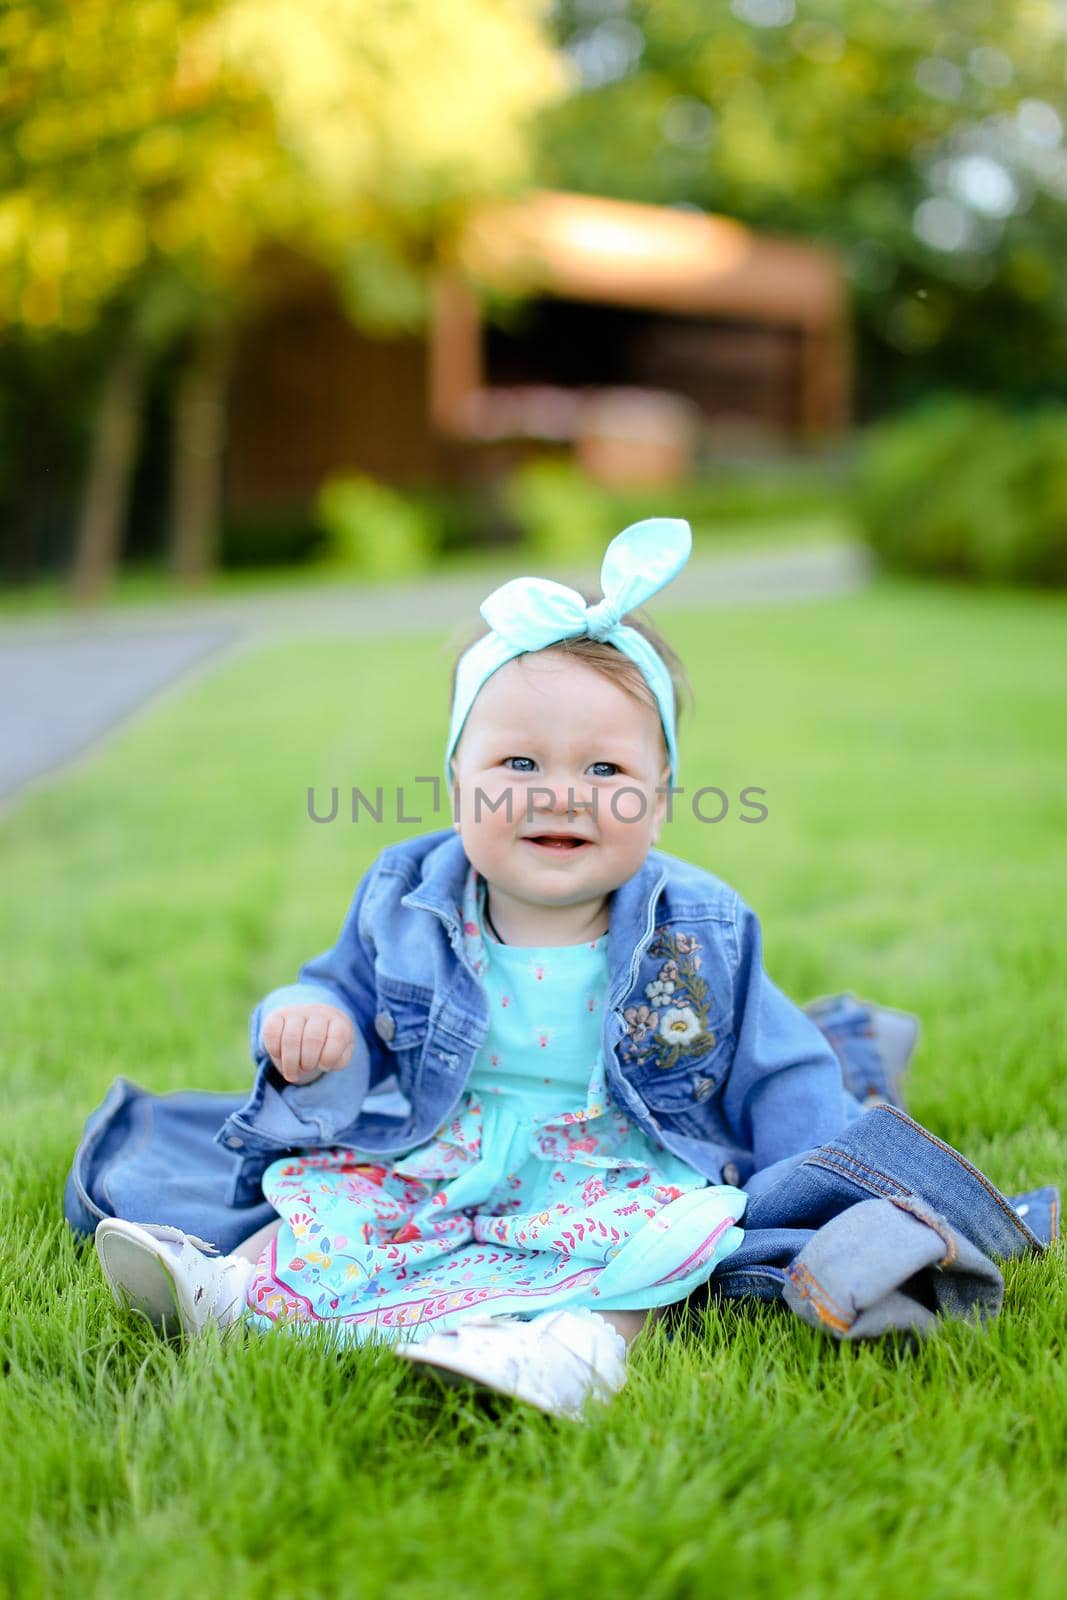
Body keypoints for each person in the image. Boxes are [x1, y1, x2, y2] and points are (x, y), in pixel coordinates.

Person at [91, 518, 898, 1419]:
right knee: (334, 1197)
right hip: (444, 1150)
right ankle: (231, 1291)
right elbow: (340, 997)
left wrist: (819, 1186)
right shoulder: (407, 895)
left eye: (604, 767)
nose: (560, 791)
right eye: (518, 762)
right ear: (455, 784)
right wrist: (311, 1023)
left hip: (611, 1163)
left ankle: (574, 1352)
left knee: (661, 1246)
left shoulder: (697, 927)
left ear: (660, 801)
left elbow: (777, 1062)